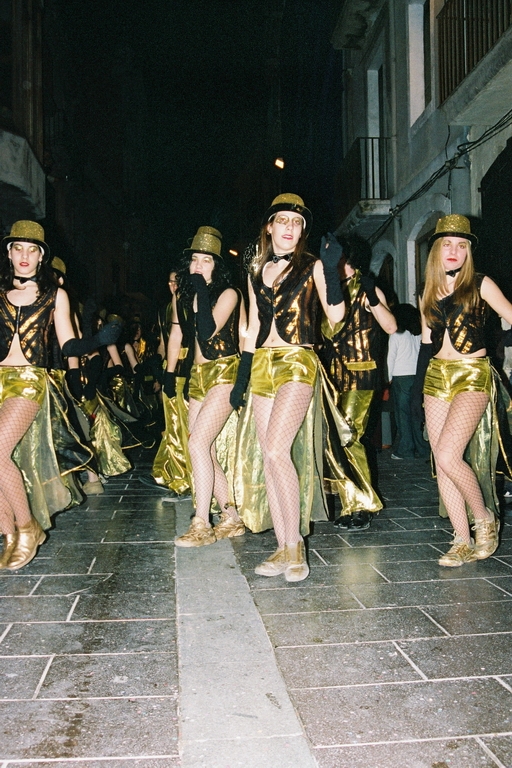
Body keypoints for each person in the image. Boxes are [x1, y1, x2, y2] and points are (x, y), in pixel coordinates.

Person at [230, 193, 346, 582]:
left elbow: (337, 316)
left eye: (297, 224)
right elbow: (248, 329)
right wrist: (241, 380)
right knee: (268, 455)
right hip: (262, 363)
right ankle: (282, 546)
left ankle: (296, 546)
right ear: (269, 226)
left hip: (298, 361)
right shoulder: (254, 269)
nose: (290, 229)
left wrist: (331, 271)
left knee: (279, 449)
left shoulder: (311, 265)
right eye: (283, 221)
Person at [0, 220, 119, 570]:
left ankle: (28, 526)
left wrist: (99, 341)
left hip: (29, 381)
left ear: (41, 257)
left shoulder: (55, 295)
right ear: (8, 253)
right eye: (18, 248)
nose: (24, 255)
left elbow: (68, 343)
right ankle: (9, 535)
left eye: (31, 250)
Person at [419, 214, 512, 566]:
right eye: (447, 244)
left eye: (461, 245)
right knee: (441, 464)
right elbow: (427, 344)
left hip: (473, 374)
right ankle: (460, 539)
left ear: (469, 251)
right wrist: (417, 395)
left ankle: (484, 519)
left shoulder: (481, 283)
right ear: (437, 251)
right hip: (436, 376)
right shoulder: (427, 289)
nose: (454, 250)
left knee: (448, 455)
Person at [166, 226, 246, 546]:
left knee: (198, 445)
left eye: (206, 261)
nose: (198, 266)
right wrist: (175, 377)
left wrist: (199, 290)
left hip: (225, 373)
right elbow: (183, 338)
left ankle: (201, 522)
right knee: (204, 449)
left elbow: (208, 332)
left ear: (217, 266)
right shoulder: (186, 297)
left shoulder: (229, 293)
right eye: (195, 260)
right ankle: (231, 517)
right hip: (197, 377)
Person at [320, 234, 397, 531]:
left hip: (362, 374)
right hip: (335, 377)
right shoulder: (332, 290)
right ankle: (354, 501)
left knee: (348, 436)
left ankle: (361, 504)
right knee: (338, 440)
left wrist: (374, 297)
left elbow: (391, 325)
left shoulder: (366, 288)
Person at [387, 303, 430, 460]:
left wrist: (389, 378)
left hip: (401, 376)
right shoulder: (418, 334)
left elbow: (391, 357)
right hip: (417, 376)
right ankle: (423, 448)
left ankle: (406, 449)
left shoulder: (397, 334)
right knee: (416, 413)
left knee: (402, 415)